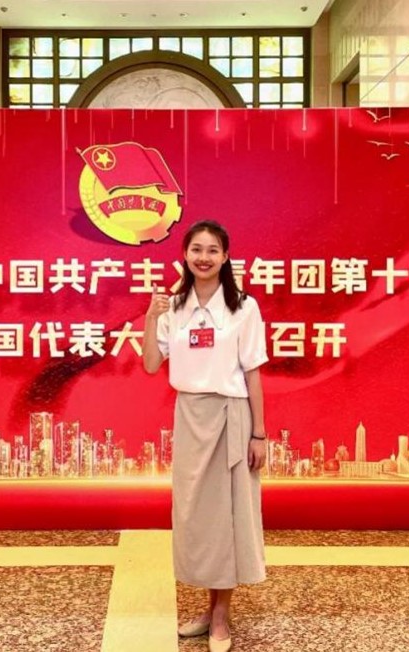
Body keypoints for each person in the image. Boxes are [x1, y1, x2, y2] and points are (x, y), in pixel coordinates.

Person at [142, 219, 268, 652]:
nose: (204, 257)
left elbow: (253, 372)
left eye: (213, 250)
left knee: (228, 517)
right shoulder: (173, 306)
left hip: (231, 415)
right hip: (190, 416)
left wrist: (259, 433)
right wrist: (151, 317)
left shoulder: (243, 307)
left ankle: (220, 616)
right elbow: (151, 364)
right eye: (196, 249)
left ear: (226, 256)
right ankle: (207, 606)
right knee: (196, 516)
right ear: (184, 254)